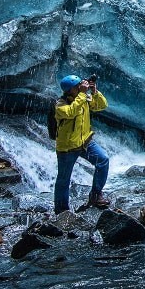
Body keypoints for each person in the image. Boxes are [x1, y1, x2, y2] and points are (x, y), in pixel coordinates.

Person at [53, 74, 111, 214]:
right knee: (63, 179)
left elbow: (101, 105)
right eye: (78, 85)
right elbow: (71, 112)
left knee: (103, 160)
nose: (81, 86)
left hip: (85, 142)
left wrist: (94, 92)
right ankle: (61, 211)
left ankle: (96, 196)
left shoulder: (83, 98)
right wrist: (83, 94)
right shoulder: (60, 104)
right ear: (70, 89)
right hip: (68, 147)